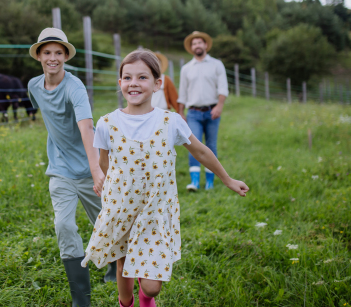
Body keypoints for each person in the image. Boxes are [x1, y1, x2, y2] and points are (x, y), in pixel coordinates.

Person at [82, 49, 249, 307]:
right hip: (121, 205)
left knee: (151, 286)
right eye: (127, 78)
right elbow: (105, 162)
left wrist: (227, 179)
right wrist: (103, 181)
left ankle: (145, 298)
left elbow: (201, 151)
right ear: (120, 83)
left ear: (158, 84)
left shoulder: (171, 121)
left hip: (156, 209)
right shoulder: (107, 123)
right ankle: (124, 301)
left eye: (142, 77)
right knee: (123, 262)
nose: (134, 83)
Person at [27, 28, 116, 307]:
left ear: (65, 56)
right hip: (60, 169)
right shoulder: (33, 86)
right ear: (39, 56)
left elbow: (86, 126)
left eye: (58, 52)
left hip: (89, 168)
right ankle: (81, 299)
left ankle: (114, 263)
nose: (52, 58)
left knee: (106, 221)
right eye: (47, 52)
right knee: (64, 225)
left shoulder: (74, 87)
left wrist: (96, 170)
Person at [177, 31, 229, 192]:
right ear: (191, 48)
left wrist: (219, 106)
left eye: (200, 42)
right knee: (194, 145)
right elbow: (183, 93)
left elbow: (223, 88)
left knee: (211, 145)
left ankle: (210, 182)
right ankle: (194, 182)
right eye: (194, 43)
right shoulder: (186, 69)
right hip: (193, 112)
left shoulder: (216, 64)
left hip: (212, 111)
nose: (197, 45)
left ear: (205, 45)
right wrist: (181, 112)